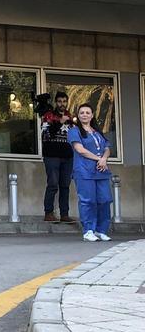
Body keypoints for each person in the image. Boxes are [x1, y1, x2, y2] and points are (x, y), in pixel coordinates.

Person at [67, 103, 112, 242]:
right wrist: (99, 158)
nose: (85, 115)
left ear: (92, 115)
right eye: (82, 112)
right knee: (88, 201)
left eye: (87, 112)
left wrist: (104, 159)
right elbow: (80, 149)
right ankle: (88, 230)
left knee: (104, 200)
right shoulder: (74, 131)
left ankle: (101, 230)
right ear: (78, 116)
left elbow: (107, 147)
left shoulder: (97, 132)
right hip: (84, 171)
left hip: (101, 170)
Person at [41, 91, 73, 222]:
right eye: (60, 101)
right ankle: (49, 212)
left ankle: (64, 214)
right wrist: (60, 121)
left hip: (67, 156)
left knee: (65, 185)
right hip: (52, 155)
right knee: (53, 184)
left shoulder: (70, 117)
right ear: (56, 102)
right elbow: (46, 136)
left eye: (64, 101)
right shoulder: (48, 115)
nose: (62, 104)